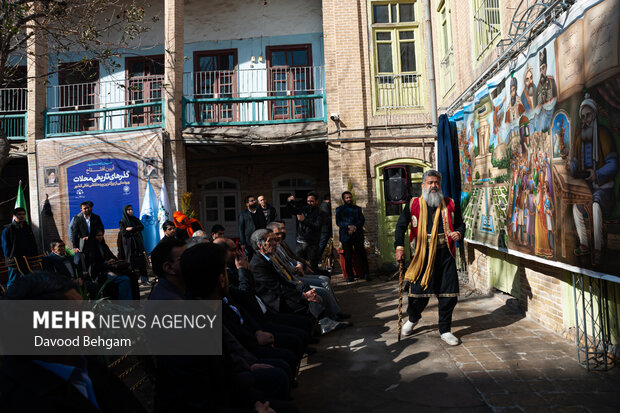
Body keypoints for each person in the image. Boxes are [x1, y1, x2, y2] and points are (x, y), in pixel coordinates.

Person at [0, 271, 147, 413]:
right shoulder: (25, 402)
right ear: (50, 331)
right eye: (80, 314)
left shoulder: (80, 361)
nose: (90, 318)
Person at [394, 170, 465, 346]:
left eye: (436, 183)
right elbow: (401, 226)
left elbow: (461, 224)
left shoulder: (450, 203)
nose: (433, 186)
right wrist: (399, 247)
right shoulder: (413, 204)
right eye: (430, 183)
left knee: (448, 295)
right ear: (423, 185)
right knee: (418, 294)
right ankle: (413, 318)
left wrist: (459, 233)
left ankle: (445, 330)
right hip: (422, 255)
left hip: (445, 254)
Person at [570, 94, 618, 266]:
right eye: (583, 117)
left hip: (604, 190)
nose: (586, 120)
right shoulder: (579, 139)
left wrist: (597, 174)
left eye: (588, 116)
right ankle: (584, 244)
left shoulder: (604, 135)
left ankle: (598, 248)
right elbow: (575, 162)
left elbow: (613, 164)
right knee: (577, 207)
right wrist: (573, 167)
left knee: (596, 206)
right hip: (587, 188)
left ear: (594, 115)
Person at [249, 228, 323, 319]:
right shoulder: (257, 264)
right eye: (270, 240)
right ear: (260, 245)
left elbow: (283, 281)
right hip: (276, 301)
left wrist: (301, 289)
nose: (275, 243)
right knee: (311, 300)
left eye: (275, 239)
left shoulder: (267, 258)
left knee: (306, 289)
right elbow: (278, 288)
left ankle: (324, 321)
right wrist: (303, 296)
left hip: (283, 293)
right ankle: (322, 322)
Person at [83, 230, 133, 300]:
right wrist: (106, 263)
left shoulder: (103, 246)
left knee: (131, 274)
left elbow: (111, 256)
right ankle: (124, 304)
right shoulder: (91, 249)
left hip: (108, 270)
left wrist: (115, 260)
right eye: (98, 236)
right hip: (99, 274)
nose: (100, 237)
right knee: (124, 279)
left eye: (101, 235)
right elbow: (94, 266)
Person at [335, 191, 370, 282]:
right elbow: (338, 222)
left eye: (350, 197)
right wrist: (348, 226)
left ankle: (366, 274)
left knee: (362, 254)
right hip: (346, 235)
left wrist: (354, 227)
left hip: (357, 234)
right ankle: (350, 276)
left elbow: (361, 220)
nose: (349, 199)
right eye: (347, 198)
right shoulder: (339, 209)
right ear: (343, 199)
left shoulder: (357, 209)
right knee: (347, 256)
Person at [1, 207, 38, 288]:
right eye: (19, 214)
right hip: (14, 260)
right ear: (14, 216)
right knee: (13, 281)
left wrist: (34, 256)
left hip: (27, 258)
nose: (22, 216)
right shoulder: (8, 229)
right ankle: (10, 298)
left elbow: (32, 242)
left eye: (23, 214)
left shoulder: (27, 227)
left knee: (27, 279)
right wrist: (10, 258)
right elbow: (5, 246)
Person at [286, 192, 322, 272]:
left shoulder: (320, 213)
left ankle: (315, 281)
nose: (309, 203)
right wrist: (289, 202)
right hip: (300, 241)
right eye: (308, 201)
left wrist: (304, 220)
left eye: (312, 201)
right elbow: (292, 210)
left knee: (311, 266)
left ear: (316, 201)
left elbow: (317, 226)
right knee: (300, 265)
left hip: (312, 243)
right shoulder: (304, 209)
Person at [119, 205, 148, 297]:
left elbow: (141, 227)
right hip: (128, 246)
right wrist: (133, 230)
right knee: (130, 263)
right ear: (125, 211)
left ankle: (145, 280)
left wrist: (132, 228)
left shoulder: (135, 219)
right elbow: (124, 233)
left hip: (138, 244)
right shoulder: (122, 221)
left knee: (142, 262)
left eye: (131, 209)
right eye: (128, 210)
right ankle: (132, 281)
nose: (130, 211)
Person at [238, 195, 266, 261]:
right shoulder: (243, 214)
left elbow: (264, 225)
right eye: (252, 201)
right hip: (249, 242)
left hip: (260, 240)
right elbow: (241, 229)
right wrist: (242, 243)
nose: (254, 201)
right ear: (247, 204)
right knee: (250, 259)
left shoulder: (260, 212)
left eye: (254, 200)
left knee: (261, 258)